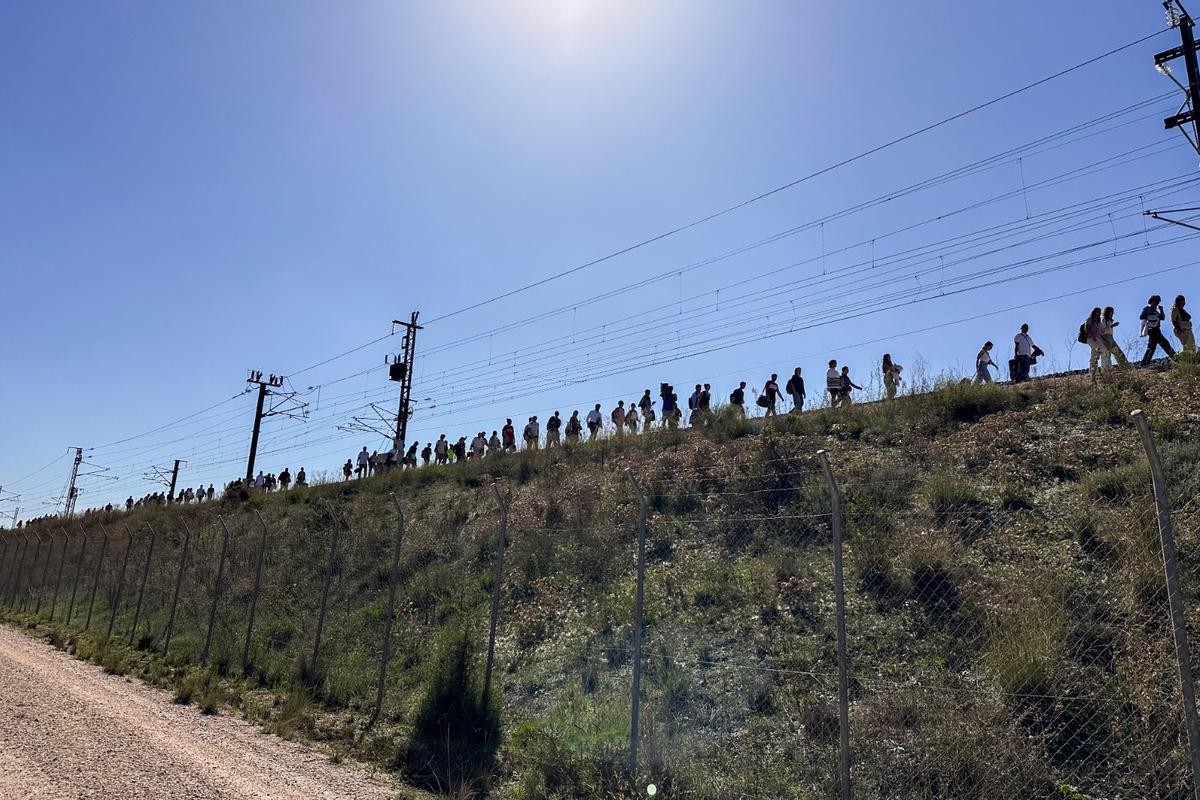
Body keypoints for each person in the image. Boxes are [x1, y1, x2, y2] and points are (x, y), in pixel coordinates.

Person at [1140, 295, 1177, 365]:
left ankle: (1144, 363)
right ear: (1151, 301)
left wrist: (1161, 310)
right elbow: (1142, 318)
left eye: (1158, 301)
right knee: (1162, 344)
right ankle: (1176, 358)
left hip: (1157, 330)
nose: (1157, 302)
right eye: (1156, 301)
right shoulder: (1147, 309)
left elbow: (1162, 318)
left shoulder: (1156, 311)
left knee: (1152, 347)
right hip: (1152, 330)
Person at [1085, 307, 1111, 377]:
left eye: (1099, 312)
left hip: (1097, 339)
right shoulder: (1090, 319)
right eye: (1097, 312)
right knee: (1104, 351)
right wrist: (1093, 336)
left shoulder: (1098, 322)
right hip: (1091, 339)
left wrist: (1105, 340)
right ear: (1093, 312)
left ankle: (1092, 372)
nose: (1098, 313)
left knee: (1094, 355)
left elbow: (1100, 332)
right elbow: (1086, 329)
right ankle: (1105, 371)